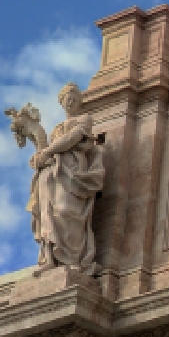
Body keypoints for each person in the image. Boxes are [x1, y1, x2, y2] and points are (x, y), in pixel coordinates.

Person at [27, 84, 106, 272]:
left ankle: (73, 260)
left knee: (65, 211)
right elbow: (48, 146)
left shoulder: (84, 120)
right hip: (52, 173)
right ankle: (50, 259)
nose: (69, 101)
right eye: (65, 98)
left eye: (73, 97)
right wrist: (39, 148)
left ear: (79, 101)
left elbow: (72, 138)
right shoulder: (56, 128)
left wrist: (47, 151)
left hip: (72, 171)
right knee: (48, 214)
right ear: (61, 103)